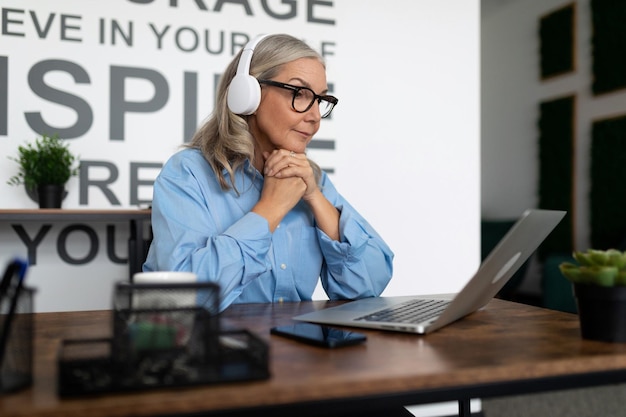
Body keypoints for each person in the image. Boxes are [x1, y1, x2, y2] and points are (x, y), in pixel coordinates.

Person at [143, 33, 394, 312]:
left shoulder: (310, 178)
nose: (313, 117)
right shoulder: (187, 173)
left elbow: (370, 283)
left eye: (320, 100)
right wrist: (271, 208)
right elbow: (183, 299)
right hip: (214, 351)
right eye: (299, 93)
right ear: (247, 95)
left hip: (299, 350)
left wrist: (315, 198)